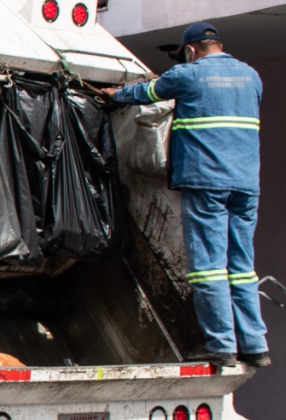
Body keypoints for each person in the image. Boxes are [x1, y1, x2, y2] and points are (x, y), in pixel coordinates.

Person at [106, 21, 268, 368]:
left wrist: (113, 95)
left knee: (207, 268)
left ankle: (222, 345)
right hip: (245, 184)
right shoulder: (251, 76)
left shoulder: (188, 74)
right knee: (241, 268)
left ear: (191, 51)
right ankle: (255, 345)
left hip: (207, 181)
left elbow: (146, 93)